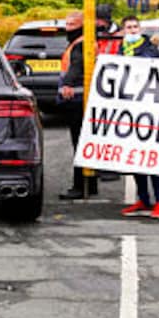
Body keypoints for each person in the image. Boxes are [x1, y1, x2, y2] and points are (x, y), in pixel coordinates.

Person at [116, 15, 159, 221]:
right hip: (130, 111)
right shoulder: (120, 50)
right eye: (128, 27)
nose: (132, 30)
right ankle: (144, 199)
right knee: (136, 159)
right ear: (123, 30)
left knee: (151, 158)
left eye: (135, 27)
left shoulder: (149, 48)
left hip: (149, 110)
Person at [57, 11, 98, 200]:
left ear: (82, 25)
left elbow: (76, 65)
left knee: (79, 142)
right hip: (84, 97)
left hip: (78, 99)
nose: (68, 28)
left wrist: (68, 84)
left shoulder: (81, 44)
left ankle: (80, 186)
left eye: (72, 24)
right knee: (85, 141)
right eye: (66, 24)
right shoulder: (84, 42)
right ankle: (90, 183)